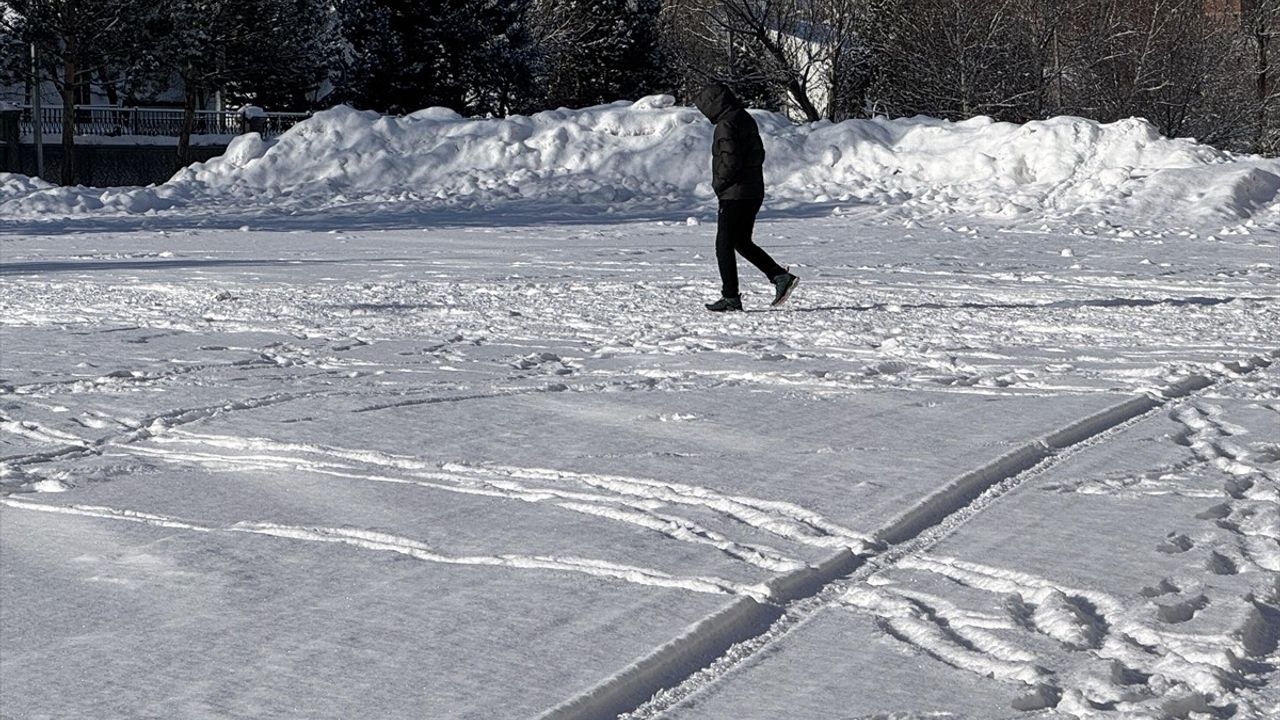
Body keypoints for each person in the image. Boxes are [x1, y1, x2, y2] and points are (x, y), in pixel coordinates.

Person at [693, 82, 798, 312]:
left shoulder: (726, 124)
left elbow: (730, 162)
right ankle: (779, 276)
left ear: (713, 104)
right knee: (740, 241)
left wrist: (719, 184)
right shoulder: (744, 118)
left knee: (724, 245)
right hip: (751, 191)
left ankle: (731, 297)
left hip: (735, 194)